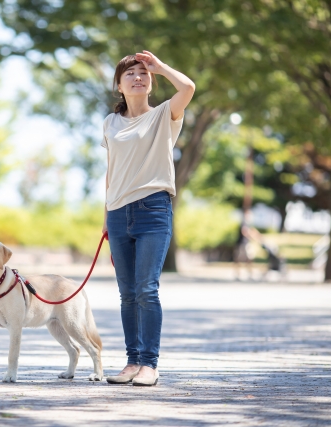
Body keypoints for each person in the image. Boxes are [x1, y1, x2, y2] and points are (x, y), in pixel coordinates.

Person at [101, 51, 195, 386]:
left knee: (146, 289)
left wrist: (160, 66)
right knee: (127, 293)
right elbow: (111, 172)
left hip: (153, 209)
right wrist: (106, 217)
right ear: (119, 84)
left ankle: (149, 364)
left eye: (144, 73)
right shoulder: (110, 123)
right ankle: (132, 361)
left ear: (151, 82)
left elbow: (187, 87)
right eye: (131, 74)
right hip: (117, 212)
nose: (138, 77)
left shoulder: (163, 116)